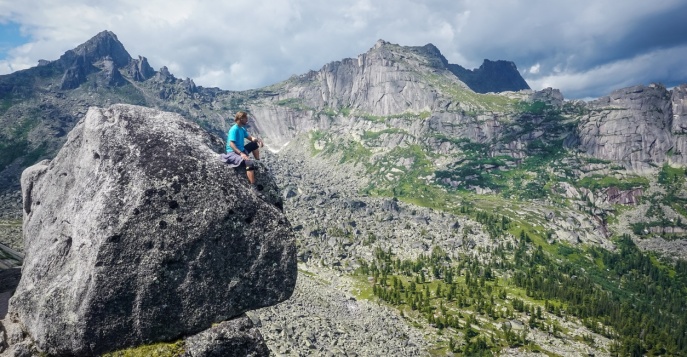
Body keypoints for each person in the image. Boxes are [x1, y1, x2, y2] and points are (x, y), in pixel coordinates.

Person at [221, 111, 264, 192]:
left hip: (241, 150)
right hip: (233, 153)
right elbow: (231, 144)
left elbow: (250, 138)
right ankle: (253, 186)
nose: (247, 120)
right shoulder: (234, 129)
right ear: (241, 119)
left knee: (254, 144)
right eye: (245, 119)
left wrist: (257, 140)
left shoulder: (241, 129)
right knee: (249, 163)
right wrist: (241, 154)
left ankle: (258, 162)